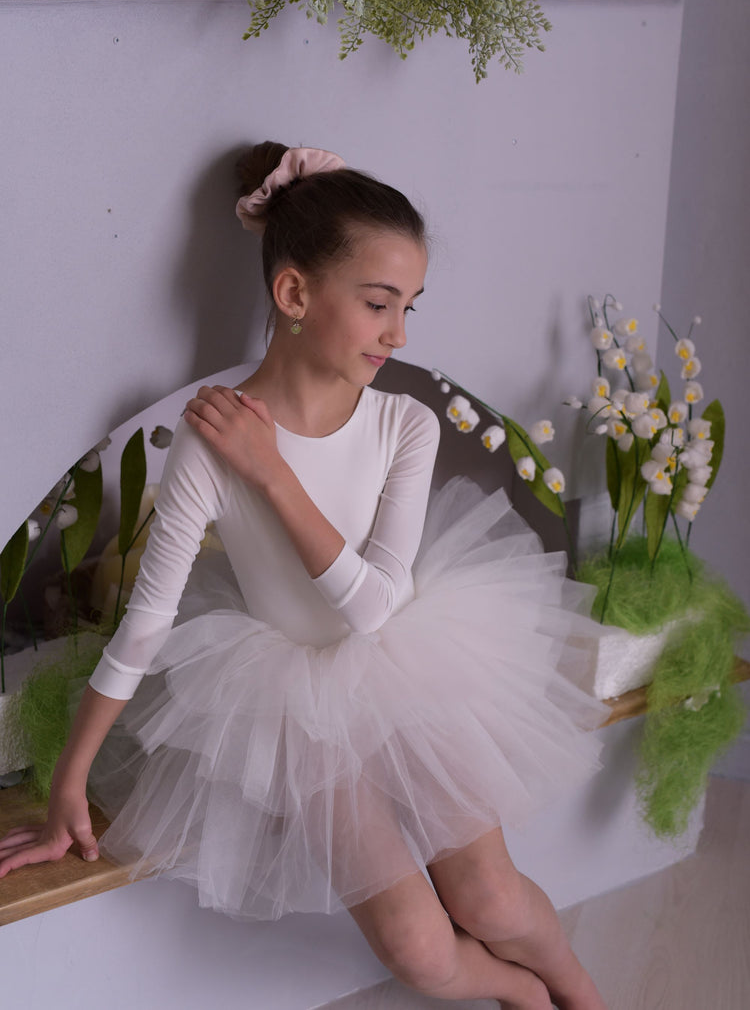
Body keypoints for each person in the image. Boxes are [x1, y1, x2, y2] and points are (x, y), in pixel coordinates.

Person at [0, 143, 608, 1010]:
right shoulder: (213, 444)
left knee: (489, 897)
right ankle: (521, 993)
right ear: (294, 294)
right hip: (291, 704)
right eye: (377, 304)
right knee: (419, 952)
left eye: (409, 307)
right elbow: (144, 626)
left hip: (412, 662)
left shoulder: (405, 424)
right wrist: (68, 779)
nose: (399, 334)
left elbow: (373, 609)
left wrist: (274, 474)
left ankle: (578, 989)